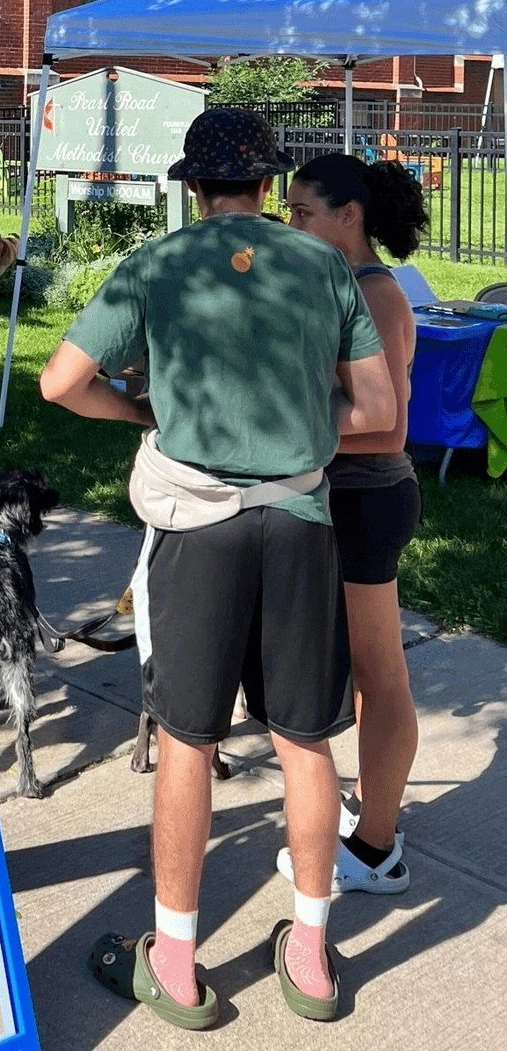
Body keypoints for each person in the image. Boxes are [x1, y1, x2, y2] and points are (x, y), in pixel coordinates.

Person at [40, 109, 395, 1028]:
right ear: (270, 186)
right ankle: (311, 956)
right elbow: (378, 404)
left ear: (192, 187)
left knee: (189, 738)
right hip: (300, 520)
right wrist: (298, 430)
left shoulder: (159, 264)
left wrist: (146, 416)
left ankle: (176, 960)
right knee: (306, 739)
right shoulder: (323, 267)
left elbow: (60, 381)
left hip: (197, 528)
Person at [284, 152, 429, 897]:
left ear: (351, 215)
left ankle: (377, 848)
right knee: (368, 677)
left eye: (303, 211)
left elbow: (388, 425)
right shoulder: (343, 285)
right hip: (349, 497)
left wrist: (285, 431)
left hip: (368, 499)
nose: (291, 223)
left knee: (381, 672)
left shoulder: (374, 293)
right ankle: (374, 814)